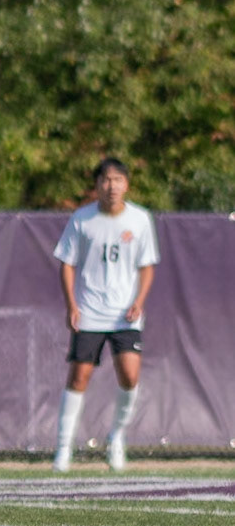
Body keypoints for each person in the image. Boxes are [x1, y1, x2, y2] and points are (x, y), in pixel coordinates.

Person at [52, 158, 158, 472]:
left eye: (118, 180)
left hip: (125, 315)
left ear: (127, 184)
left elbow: (147, 266)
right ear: (97, 184)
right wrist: (72, 305)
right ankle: (63, 451)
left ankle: (117, 438)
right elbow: (67, 263)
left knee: (130, 375)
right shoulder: (81, 219)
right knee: (79, 377)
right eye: (106, 179)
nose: (112, 186)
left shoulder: (140, 219)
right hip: (90, 312)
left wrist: (139, 300)